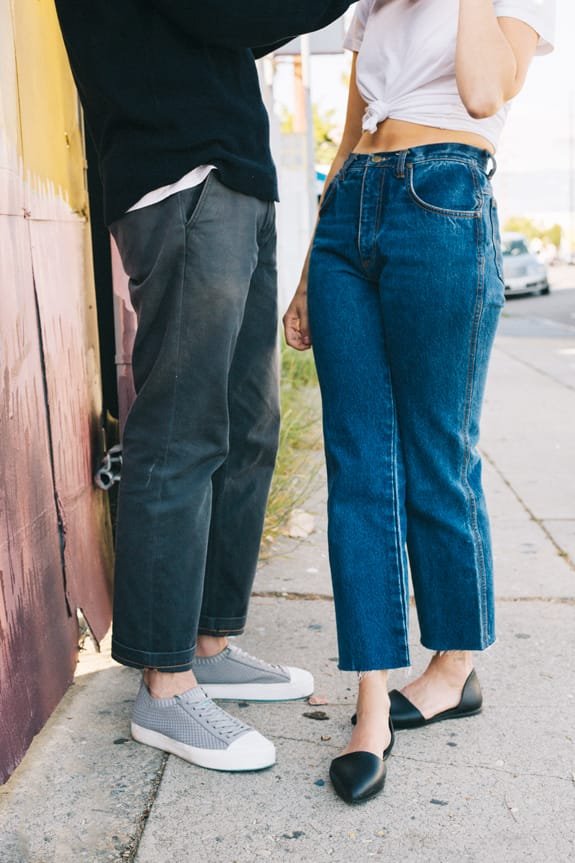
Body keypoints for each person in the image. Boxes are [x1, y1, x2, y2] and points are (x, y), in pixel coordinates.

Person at [54, 0, 354, 773]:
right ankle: (164, 682)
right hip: (180, 170)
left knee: (248, 428)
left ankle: (208, 641)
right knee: (181, 431)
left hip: (231, 171)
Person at [284, 0, 555, 803]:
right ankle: (370, 705)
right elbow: (348, 138)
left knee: (438, 454)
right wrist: (309, 266)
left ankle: (454, 665)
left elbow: (481, 93)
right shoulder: (374, 10)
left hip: (443, 198)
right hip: (349, 218)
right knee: (358, 464)